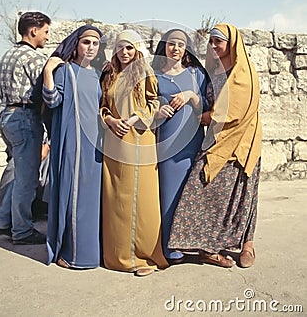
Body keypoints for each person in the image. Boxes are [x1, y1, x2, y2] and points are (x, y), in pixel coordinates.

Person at [168, 23, 262, 268]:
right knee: (206, 190)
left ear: (230, 43)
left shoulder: (244, 72)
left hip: (242, 141)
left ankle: (246, 245)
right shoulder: (214, 71)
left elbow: (234, 110)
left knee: (243, 194)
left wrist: (202, 118)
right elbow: (206, 99)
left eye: (217, 41)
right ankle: (207, 247)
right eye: (210, 41)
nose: (213, 46)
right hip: (217, 140)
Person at [100, 29, 168, 277]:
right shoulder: (109, 73)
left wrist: (133, 118)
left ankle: (143, 257)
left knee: (143, 202)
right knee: (116, 201)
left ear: (137, 48)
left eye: (129, 48)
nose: (125, 52)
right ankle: (117, 257)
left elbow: (154, 103)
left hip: (140, 140)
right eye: (120, 47)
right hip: (114, 142)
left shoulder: (145, 72)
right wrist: (109, 120)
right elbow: (103, 106)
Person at [42, 25, 106, 269]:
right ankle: (71, 253)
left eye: (95, 44)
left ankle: (91, 251)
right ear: (76, 44)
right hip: (72, 142)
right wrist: (49, 70)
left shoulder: (96, 73)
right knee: (73, 194)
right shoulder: (65, 71)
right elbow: (52, 101)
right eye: (86, 42)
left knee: (91, 198)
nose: (90, 47)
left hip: (94, 145)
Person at [152, 29, 208, 263]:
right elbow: (142, 108)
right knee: (168, 196)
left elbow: (207, 107)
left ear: (187, 49)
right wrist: (157, 112)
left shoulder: (197, 74)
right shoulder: (153, 76)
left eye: (180, 44)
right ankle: (169, 248)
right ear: (164, 46)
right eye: (171, 44)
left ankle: (191, 244)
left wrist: (192, 97)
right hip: (166, 145)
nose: (175, 48)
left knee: (192, 195)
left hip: (193, 143)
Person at [0, 11, 51, 244]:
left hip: (8, 116)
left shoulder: (8, 54)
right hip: (25, 118)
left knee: (16, 171)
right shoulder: (34, 59)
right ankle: (22, 231)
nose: (47, 37)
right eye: (46, 32)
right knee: (27, 179)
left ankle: (3, 221)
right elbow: (45, 95)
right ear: (34, 31)